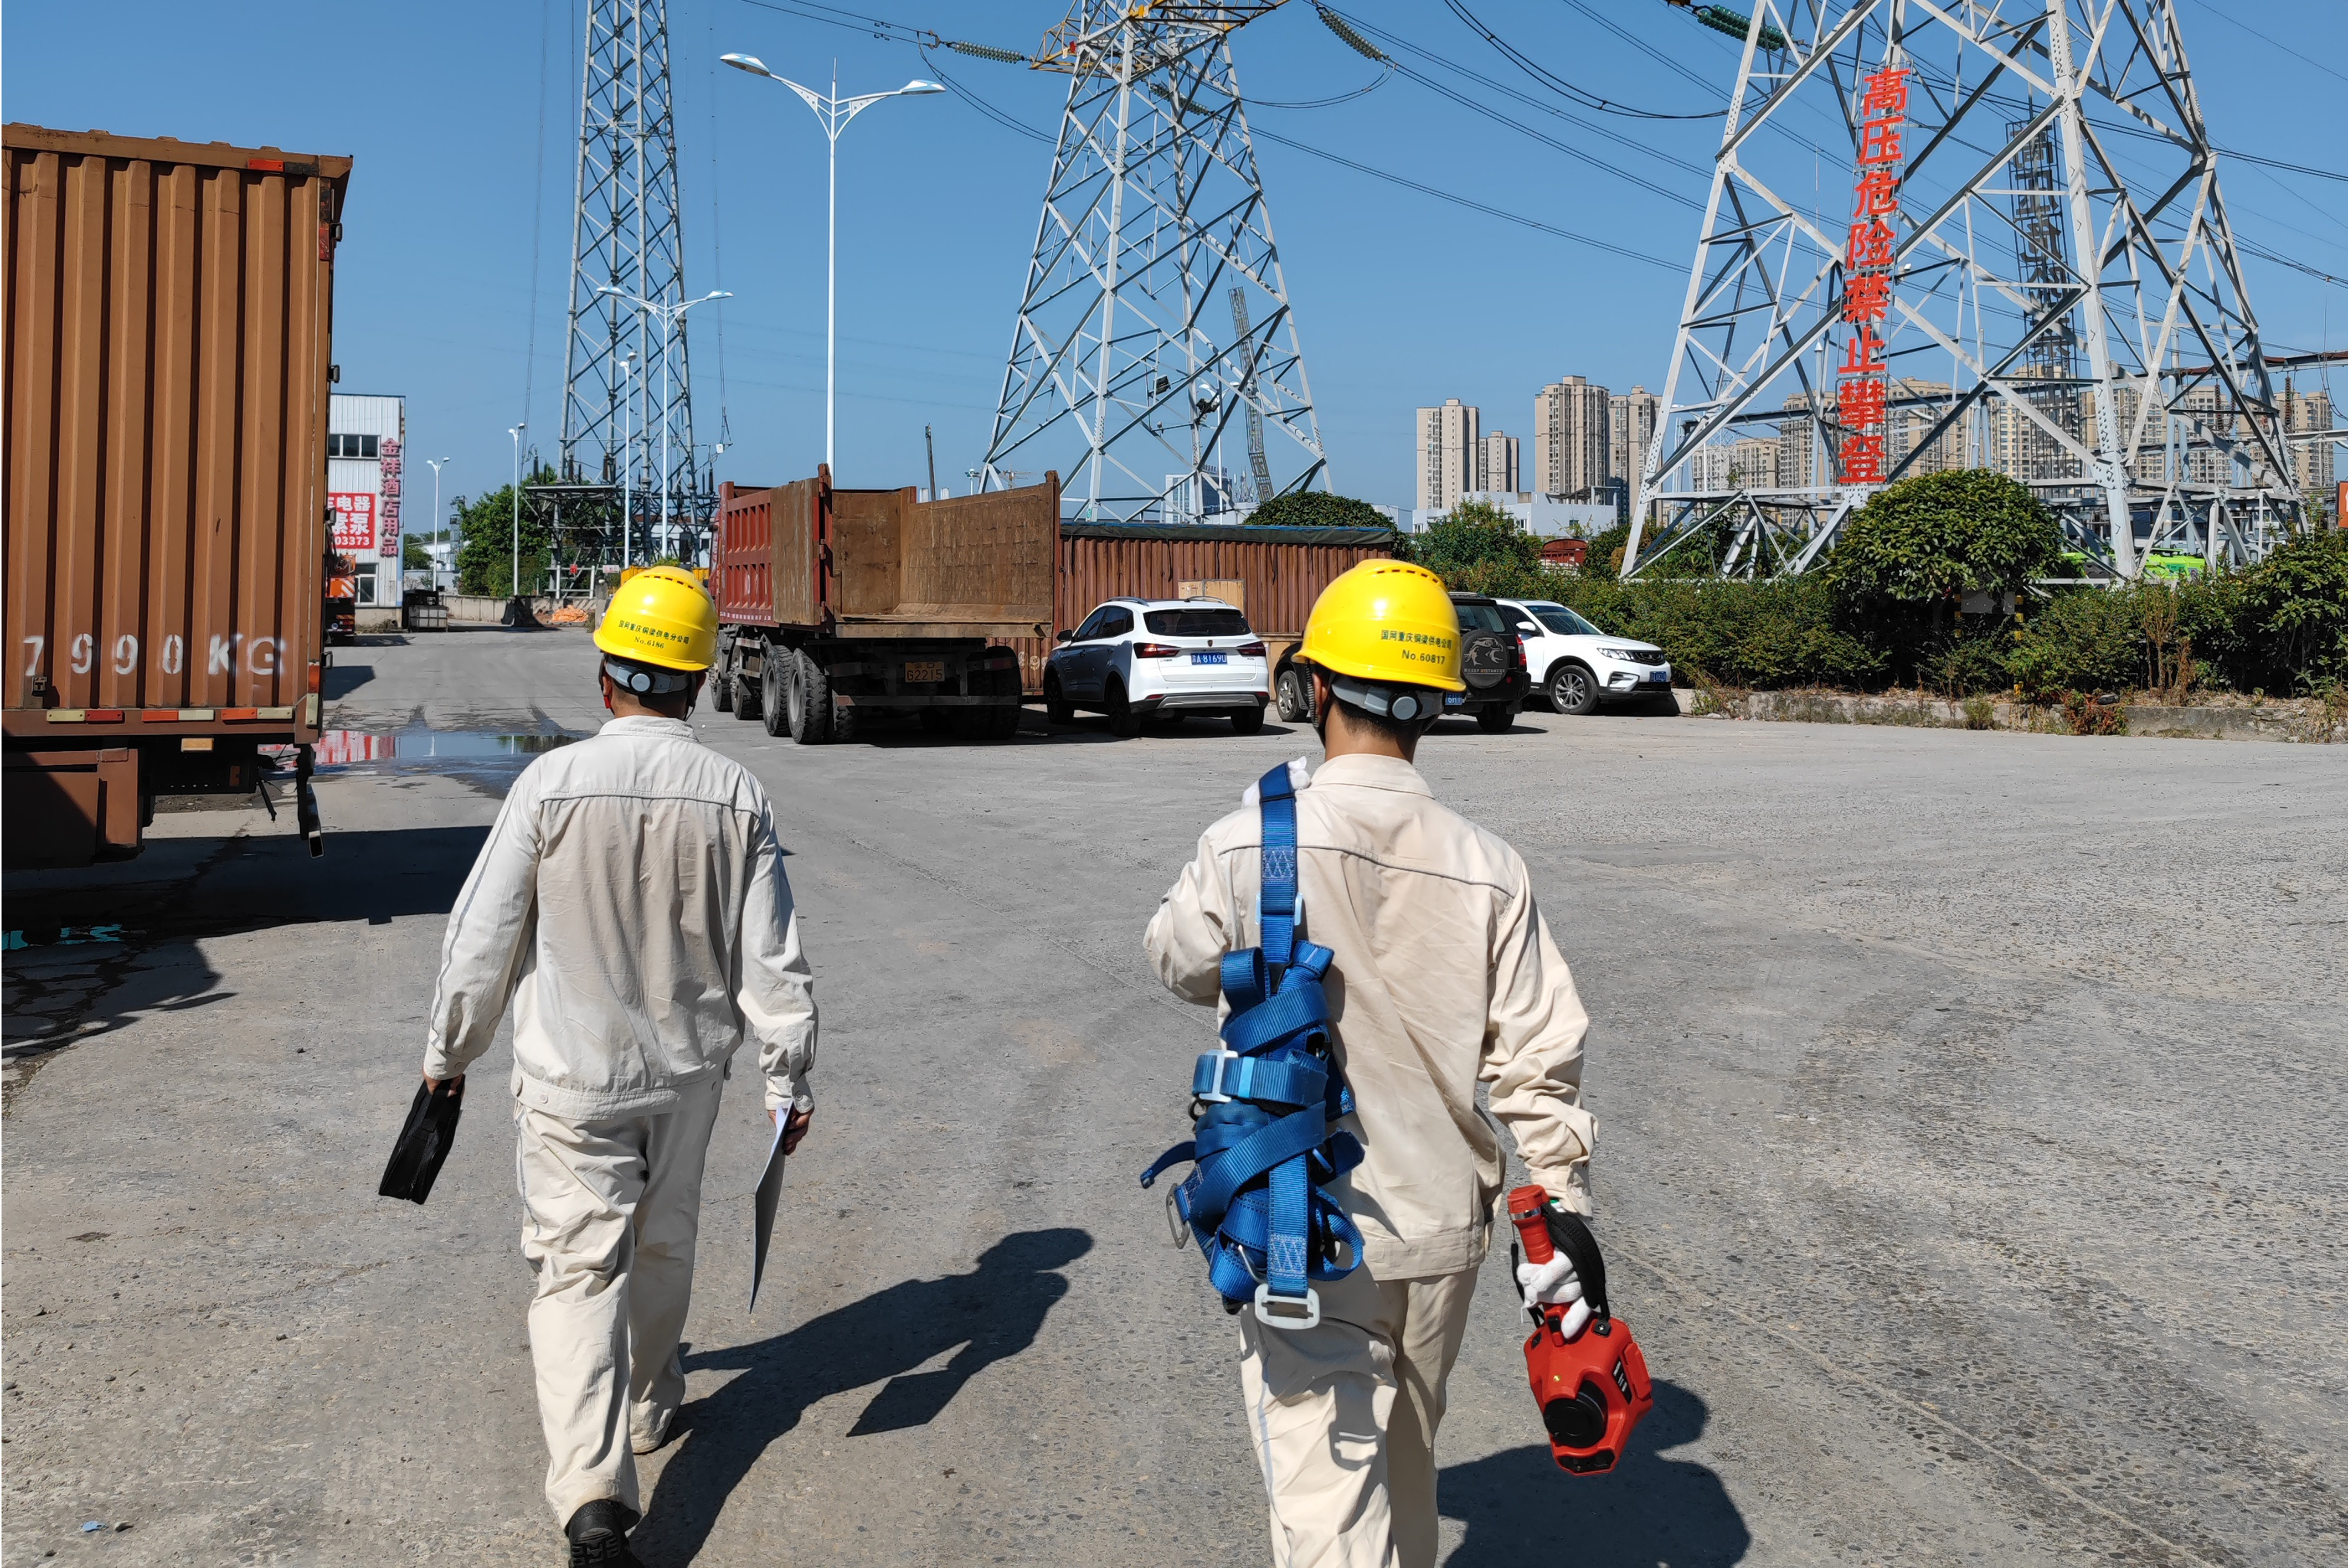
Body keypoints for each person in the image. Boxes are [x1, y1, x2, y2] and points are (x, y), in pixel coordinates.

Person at [1144, 560, 1597, 1568]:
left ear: (1311, 687)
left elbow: (1176, 960)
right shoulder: (1490, 863)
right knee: (1405, 1471)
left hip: (1306, 1226)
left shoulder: (1252, 839)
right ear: (1435, 702)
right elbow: (1540, 1058)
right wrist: (1558, 1205)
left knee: (1328, 1513)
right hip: (1441, 1230)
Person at [420, 567, 817, 1568]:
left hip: (570, 1083)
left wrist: (448, 1054)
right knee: (664, 1246)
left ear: (608, 680)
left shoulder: (549, 785)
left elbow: (483, 941)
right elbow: (770, 958)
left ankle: (596, 1503)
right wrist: (788, 1076)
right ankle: (650, 1403)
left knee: (574, 1272)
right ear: (695, 684)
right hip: (688, 1080)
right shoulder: (737, 793)